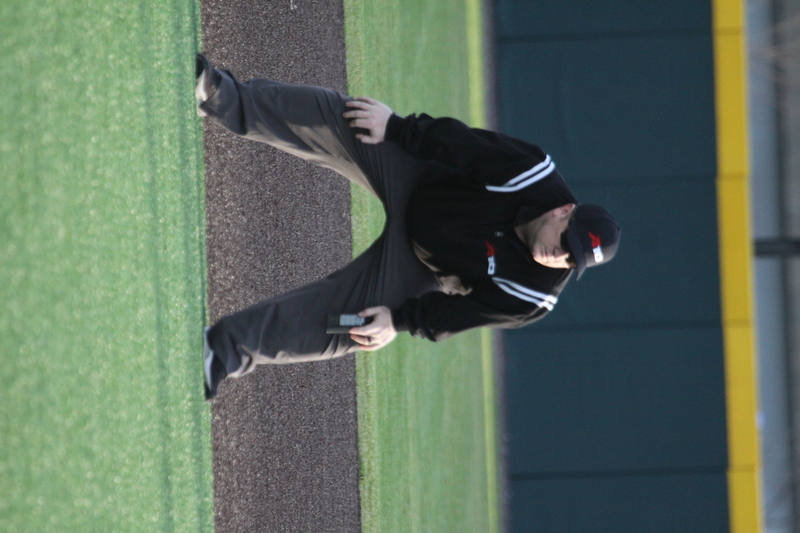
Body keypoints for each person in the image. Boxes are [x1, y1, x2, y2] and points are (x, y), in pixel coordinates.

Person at [196, 54, 620, 400]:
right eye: (566, 241)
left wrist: (397, 322)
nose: (560, 255)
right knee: (350, 117)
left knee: (357, 327)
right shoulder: (531, 172)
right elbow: (460, 144)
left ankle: (225, 349)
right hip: (419, 177)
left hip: (423, 268)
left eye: (572, 259)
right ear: (564, 210)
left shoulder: (534, 296)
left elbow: (456, 314)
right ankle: (221, 93)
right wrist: (396, 126)